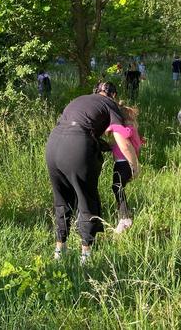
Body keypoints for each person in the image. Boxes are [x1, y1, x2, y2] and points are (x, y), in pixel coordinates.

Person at [46, 81, 135, 264]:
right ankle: (85, 256)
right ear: (114, 95)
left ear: (94, 91)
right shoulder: (111, 104)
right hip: (77, 146)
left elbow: (74, 126)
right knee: (87, 198)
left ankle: (58, 251)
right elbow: (121, 138)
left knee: (61, 199)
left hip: (53, 144)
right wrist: (134, 164)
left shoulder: (79, 100)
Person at [105, 103, 142, 234]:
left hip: (124, 164)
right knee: (117, 187)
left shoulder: (128, 128)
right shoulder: (126, 129)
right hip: (120, 163)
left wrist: (112, 126)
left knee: (117, 187)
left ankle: (125, 218)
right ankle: (123, 216)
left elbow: (125, 134)